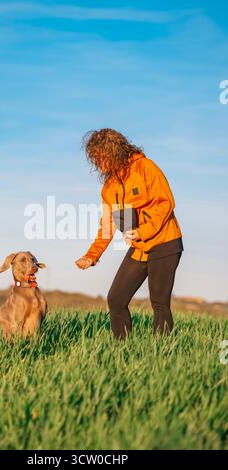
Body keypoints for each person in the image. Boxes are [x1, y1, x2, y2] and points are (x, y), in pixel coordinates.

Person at [75, 128, 183, 339]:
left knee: (159, 303)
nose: (98, 163)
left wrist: (142, 231)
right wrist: (92, 255)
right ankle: (122, 350)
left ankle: (161, 353)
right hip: (140, 247)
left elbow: (166, 203)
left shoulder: (145, 168)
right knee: (116, 299)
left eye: (101, 156)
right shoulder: (109, 187)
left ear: (115, 150)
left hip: (165, 242)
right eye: (95, 158)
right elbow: (107, 224)